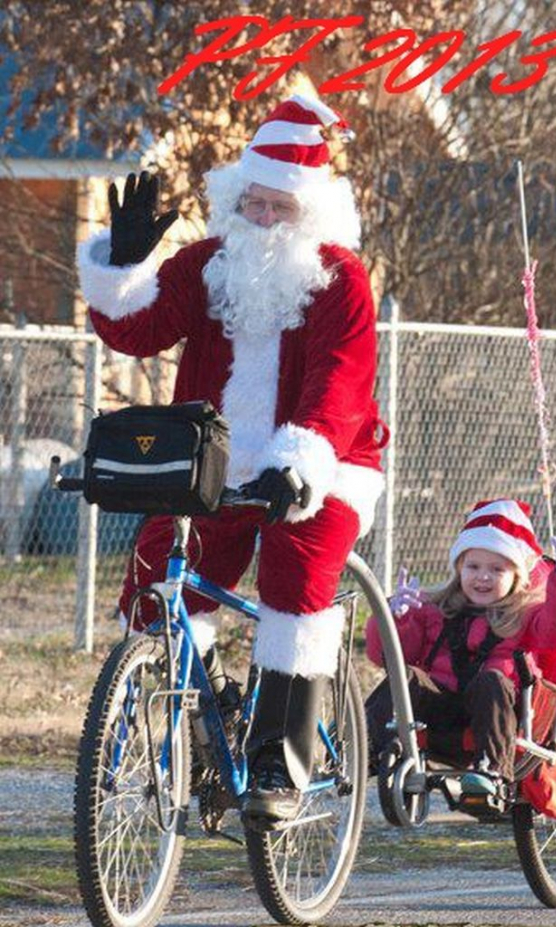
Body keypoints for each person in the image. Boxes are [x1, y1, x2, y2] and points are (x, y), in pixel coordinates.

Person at [77, 94, 388, 821]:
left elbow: (339, 384)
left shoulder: (340, 281)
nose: (262, 219)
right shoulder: (210, 265)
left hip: (323, 460)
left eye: (278, 206)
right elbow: (139, 328)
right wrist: (121, 266)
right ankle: (211, 720)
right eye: (252, 202)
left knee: (295, 581)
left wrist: (300, 463)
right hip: (213, 461)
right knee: (159, 583)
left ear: (310, 210)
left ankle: (279, 762)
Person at [365, 498, 556, 796]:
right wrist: (397, 618)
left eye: (497, 569)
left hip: (494, 714)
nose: (483, 576)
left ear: (516, 576)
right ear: (459, 568)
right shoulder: (433, 608)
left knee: (491, 681)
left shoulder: (525, 614)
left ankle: (491, 769)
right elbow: (388, 656)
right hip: (438, 708)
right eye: (473, 566)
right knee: (406, 674)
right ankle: (365, 748)